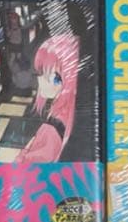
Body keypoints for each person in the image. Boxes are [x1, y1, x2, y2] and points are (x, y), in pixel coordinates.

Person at [16, 34, 80, 163]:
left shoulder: (52, 128)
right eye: (41, 72)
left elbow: (27, 169)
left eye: (56, 78)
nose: (41, 80)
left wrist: (21, 155)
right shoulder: (72, 109)